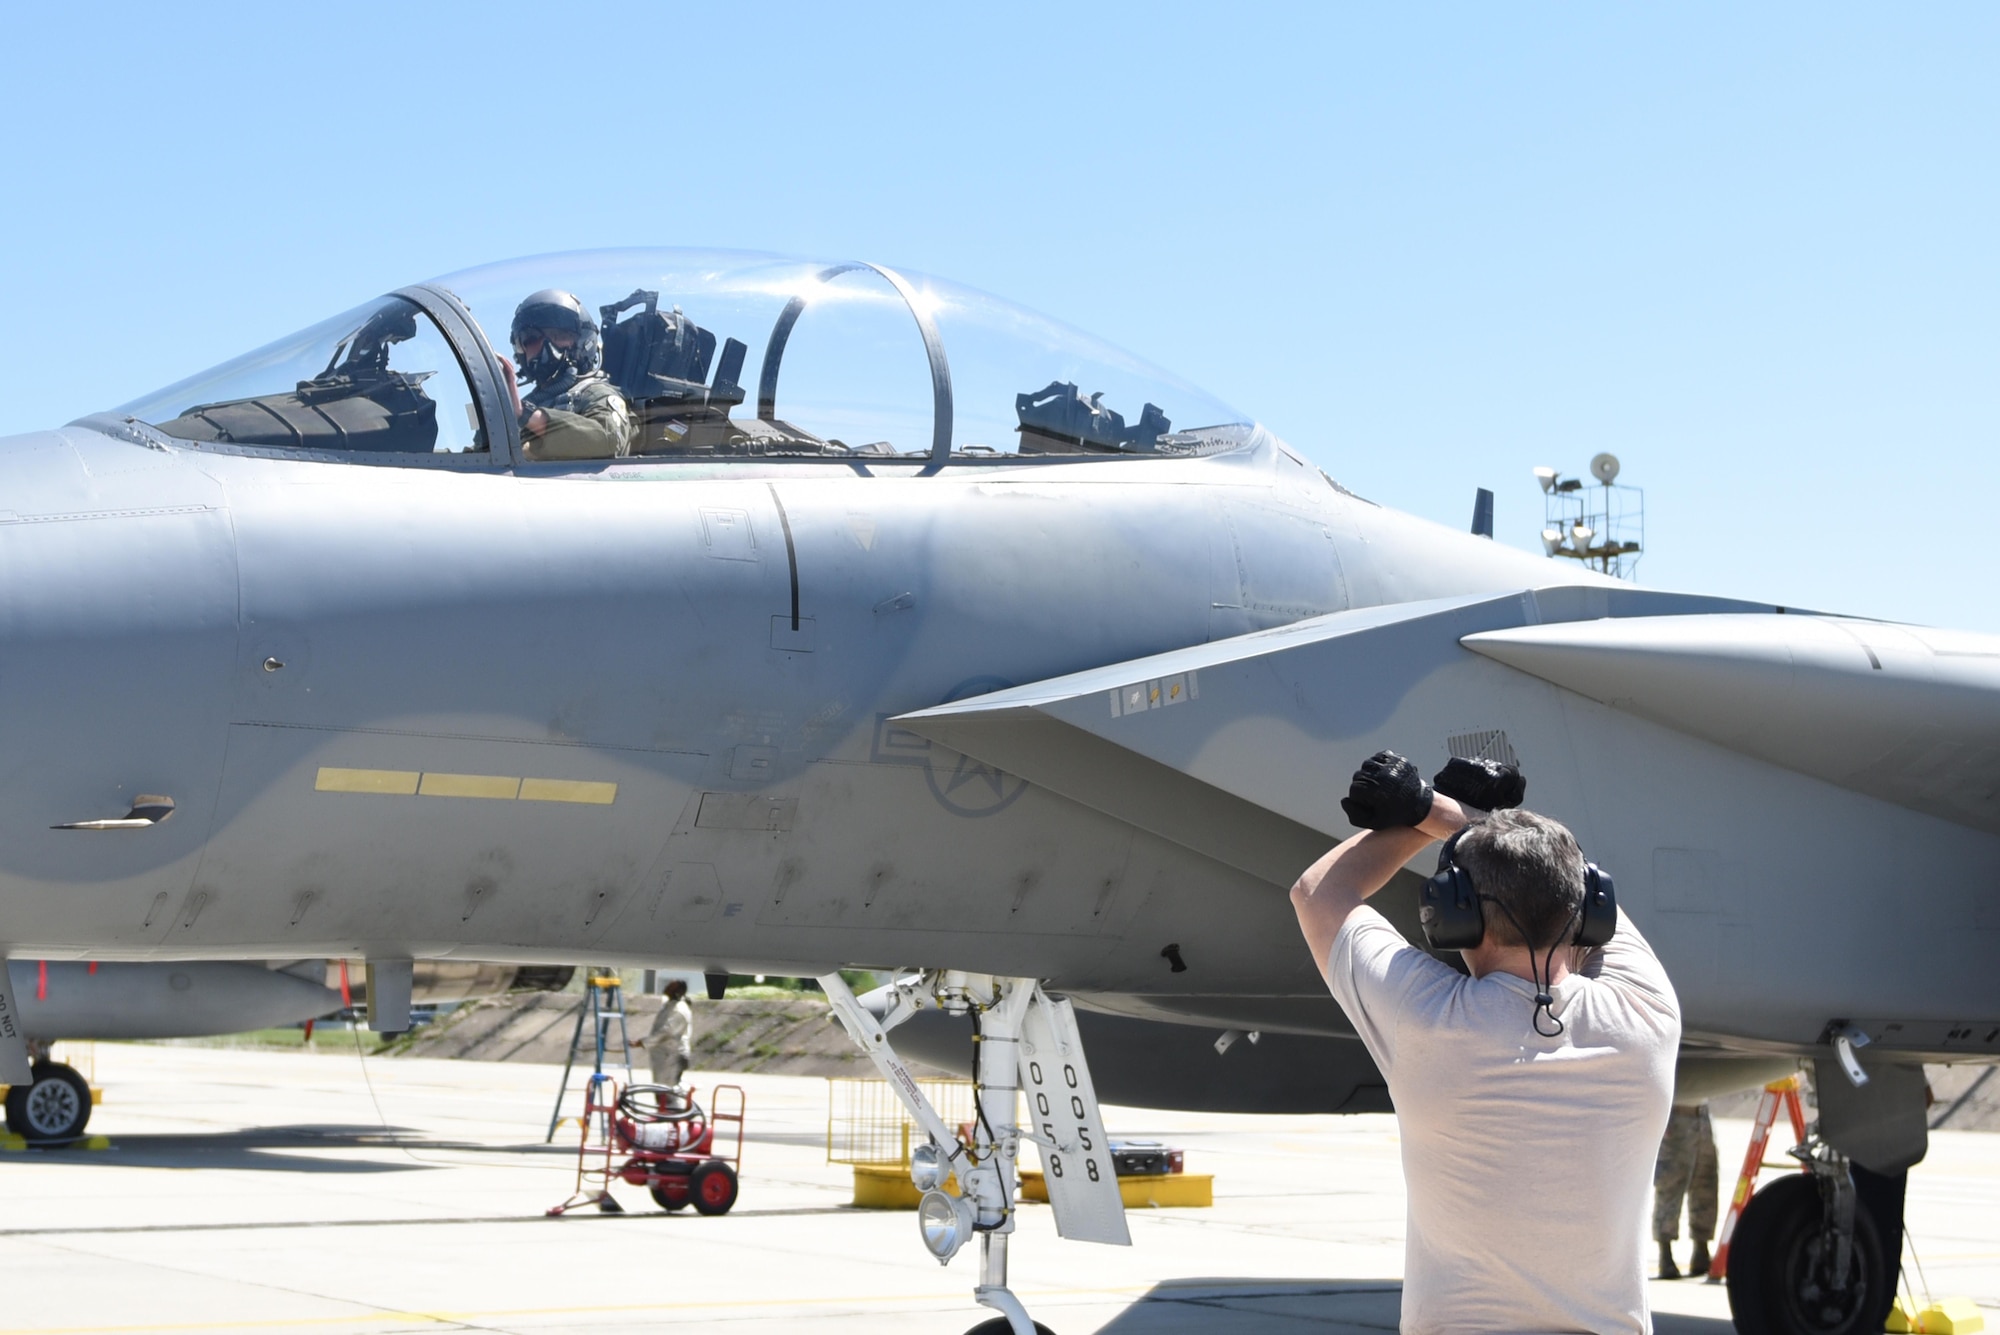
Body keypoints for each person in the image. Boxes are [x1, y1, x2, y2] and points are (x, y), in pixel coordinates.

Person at [1290, 751, 1681, 1334]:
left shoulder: (1427, 1020)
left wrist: (1424, 814)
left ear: (1455, 912)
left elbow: (1319, 893)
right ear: (1587, 911)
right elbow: (1581, 893)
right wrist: (1458, 816)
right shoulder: (1648, 1012)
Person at [505, 289, 633, 460]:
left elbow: (608, 440)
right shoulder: (519, 407)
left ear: (583, 341)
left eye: (558, 335)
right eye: (532, 338)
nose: (546, 346)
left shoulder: (595, 394)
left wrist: (530, 417)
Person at [1653, 1101, 1719, 1278]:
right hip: (1676, 1116)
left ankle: (1701, 1250)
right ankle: (1665, 1255)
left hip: (1701, 1116)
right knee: (1671, 1185)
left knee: (1705, 1183)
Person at [637, 977, 693, 1092]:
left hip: (672, 1056)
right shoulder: (669, 1006)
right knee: (661, 1091)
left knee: (668, 1092)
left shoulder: (679, 1009)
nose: (666, 987)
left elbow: (667, 1032)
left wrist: (645, 1042)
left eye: (670, 986)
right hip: (665, 1056)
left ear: (677, 992)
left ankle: (677, 1107)